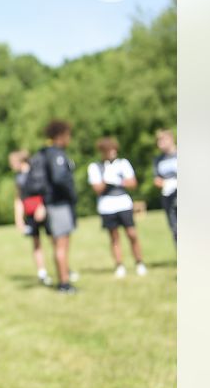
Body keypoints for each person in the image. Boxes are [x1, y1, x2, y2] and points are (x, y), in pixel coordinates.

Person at [87, 136, 147, 277]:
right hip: (107, 205)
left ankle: (139, 262)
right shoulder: (95, 167)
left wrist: (119, 181)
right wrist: (106, 180)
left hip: (123, 203)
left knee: (132, 234)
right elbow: (97, 189)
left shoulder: (122, 163)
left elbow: (133, 183)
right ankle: (119, 264)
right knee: (114, 237)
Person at [37, 119, 80, 294]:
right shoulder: (56, 154)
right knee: (61, 245)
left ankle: (64, 277)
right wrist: (71, 194)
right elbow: (59, 178)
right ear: (61, 135)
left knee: (58, 244)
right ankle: (64, 283)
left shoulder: (45, 153)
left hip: (52, 205)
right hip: (58, 204)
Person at [9, 150, 50, 285]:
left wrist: (42, 206)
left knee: (55, 240)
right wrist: (19, 218)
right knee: (36, 242)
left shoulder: (37, 172)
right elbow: (19, 198)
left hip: (43, 209)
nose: (11, 166)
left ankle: (64, 269)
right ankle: (42, 272)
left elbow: (46, 190)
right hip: (30, 213)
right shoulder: (18, 178)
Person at [152, 128, 178, 244]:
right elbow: (156, 179)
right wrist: (166, 184)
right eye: (158, 141)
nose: (160, 144)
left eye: (162, 140)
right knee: (175, 228)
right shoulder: (158, 159)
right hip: (168, 196)